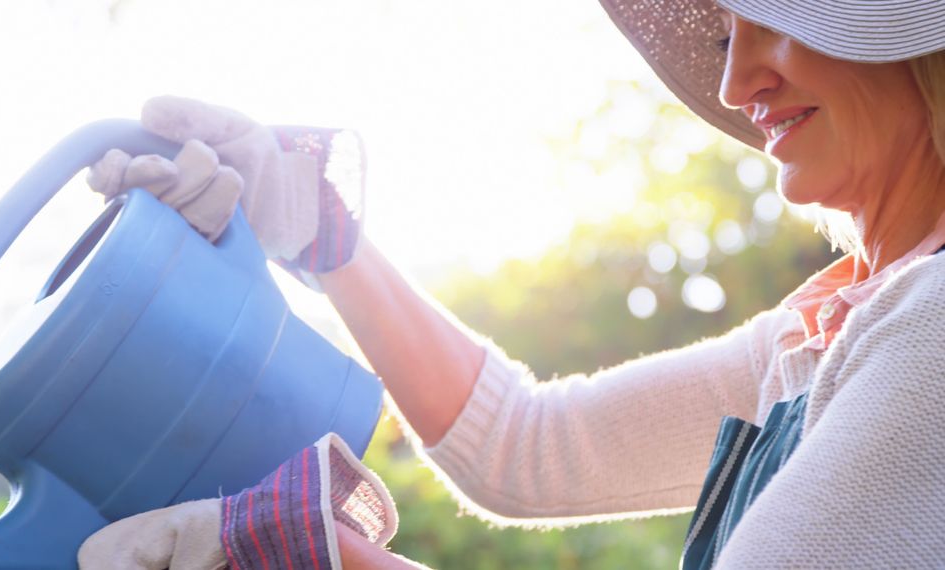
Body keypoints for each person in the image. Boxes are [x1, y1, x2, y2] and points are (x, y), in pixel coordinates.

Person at [76, 1, 945, 568]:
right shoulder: (837, 326)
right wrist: (322, 230)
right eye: (727, 32)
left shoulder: (931, 331)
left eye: (778, 15)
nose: (732, 81)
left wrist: (307, 554)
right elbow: (526, 445)